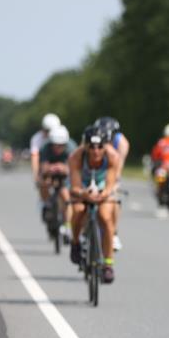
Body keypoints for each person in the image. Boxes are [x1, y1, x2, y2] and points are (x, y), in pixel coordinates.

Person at [68, 125, 121, 284]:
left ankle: (108, 264)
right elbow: (75, 186)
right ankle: (75, 242)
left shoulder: (112, 156)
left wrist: (103, 194)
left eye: (100, 146)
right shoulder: (76, 157)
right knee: (78, 210)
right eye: (91, 147)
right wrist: (84, 194)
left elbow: (110, 185)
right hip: (83, 186)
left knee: (105, 217)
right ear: (85, 146)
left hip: (103, 186)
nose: (96, 151)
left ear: (106, 146)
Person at [94, 117, 129, 251]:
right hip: (94, 170)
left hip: (111, 169)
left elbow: (117, 169)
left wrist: (112, 185)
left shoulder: (122, 143)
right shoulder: (92, 138)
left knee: (114, 197)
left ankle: (113, 233)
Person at [38, 125, 77, 241]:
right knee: (43, 183)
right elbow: (43, 167)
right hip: (50, 171)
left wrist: (64, 168)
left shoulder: (72, 148)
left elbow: (75, 168)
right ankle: (47, 204)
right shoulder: (45, 148)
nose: (58, 148)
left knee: (66, 196)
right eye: (55, 145)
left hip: (66, 173)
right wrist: (50, 169)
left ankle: (68, 226)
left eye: (61, 145)